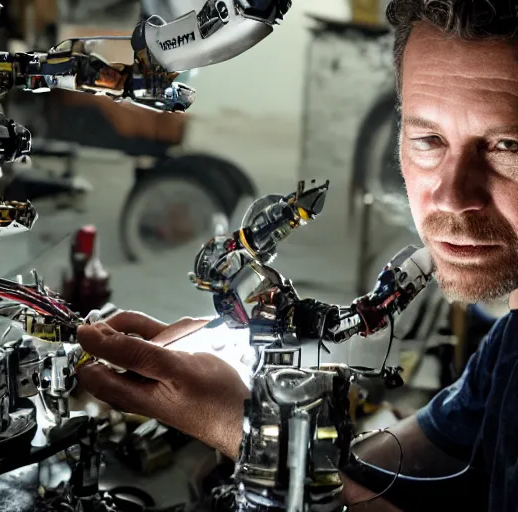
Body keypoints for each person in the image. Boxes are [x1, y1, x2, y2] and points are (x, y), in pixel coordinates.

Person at [76, 1, 518, 510]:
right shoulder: (507, 344)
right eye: (428, 139)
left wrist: (244, 433)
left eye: (507, 145)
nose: (450, 196)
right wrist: (253, 410)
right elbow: (400, 472)